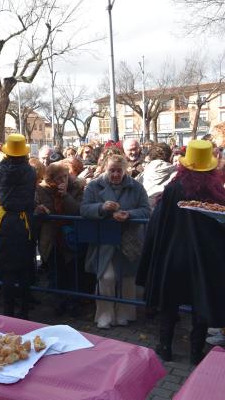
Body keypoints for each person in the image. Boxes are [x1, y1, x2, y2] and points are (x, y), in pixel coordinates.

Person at [137, 140, 225, 364]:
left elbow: (158, 222)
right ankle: (196, 353)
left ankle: (165, 347)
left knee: (170, 301)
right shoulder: (216, 191)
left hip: (174, 254)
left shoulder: (174, 188)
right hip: (206, 258)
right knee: (200, 303)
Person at [80, 154, 150, 329]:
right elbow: (84, 209)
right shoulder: (94, 186)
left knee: (127, 278)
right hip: (105, 239)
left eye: (119, 170)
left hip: (129, 239)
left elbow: (146, 210)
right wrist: (101, 208)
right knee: (106, 276)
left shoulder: (136, 187)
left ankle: (125, 314)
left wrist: (129, 215)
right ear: (105, 168)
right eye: (112, 170)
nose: (116, 174)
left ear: (126, 170)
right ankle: (105, 314)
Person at [0, 134, 37, 318]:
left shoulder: (4, 171)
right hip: (25, 224)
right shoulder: (31, 172)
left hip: (6, 224)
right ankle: (24, 312)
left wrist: (1, 165)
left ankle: (8, 312)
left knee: (7, 271)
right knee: (24, 269)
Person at [35, 162, 86, 315]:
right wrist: (40, 209)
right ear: (51, 179)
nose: (63, 180)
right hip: (51, 237)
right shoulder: (42, 189)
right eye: (59, 178)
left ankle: (73, 303)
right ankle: (59, 303)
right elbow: (45, 209)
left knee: (73, 272)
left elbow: (78, 210)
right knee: (56, 272)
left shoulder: (76, 187)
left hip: (70, 236)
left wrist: (66, 196)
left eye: (65, 176)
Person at [135, 143, 176, 209]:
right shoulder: (176, 174)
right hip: (163, 214)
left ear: (150, 156)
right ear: (170, 156)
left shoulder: (143, 174)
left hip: (144, 212)